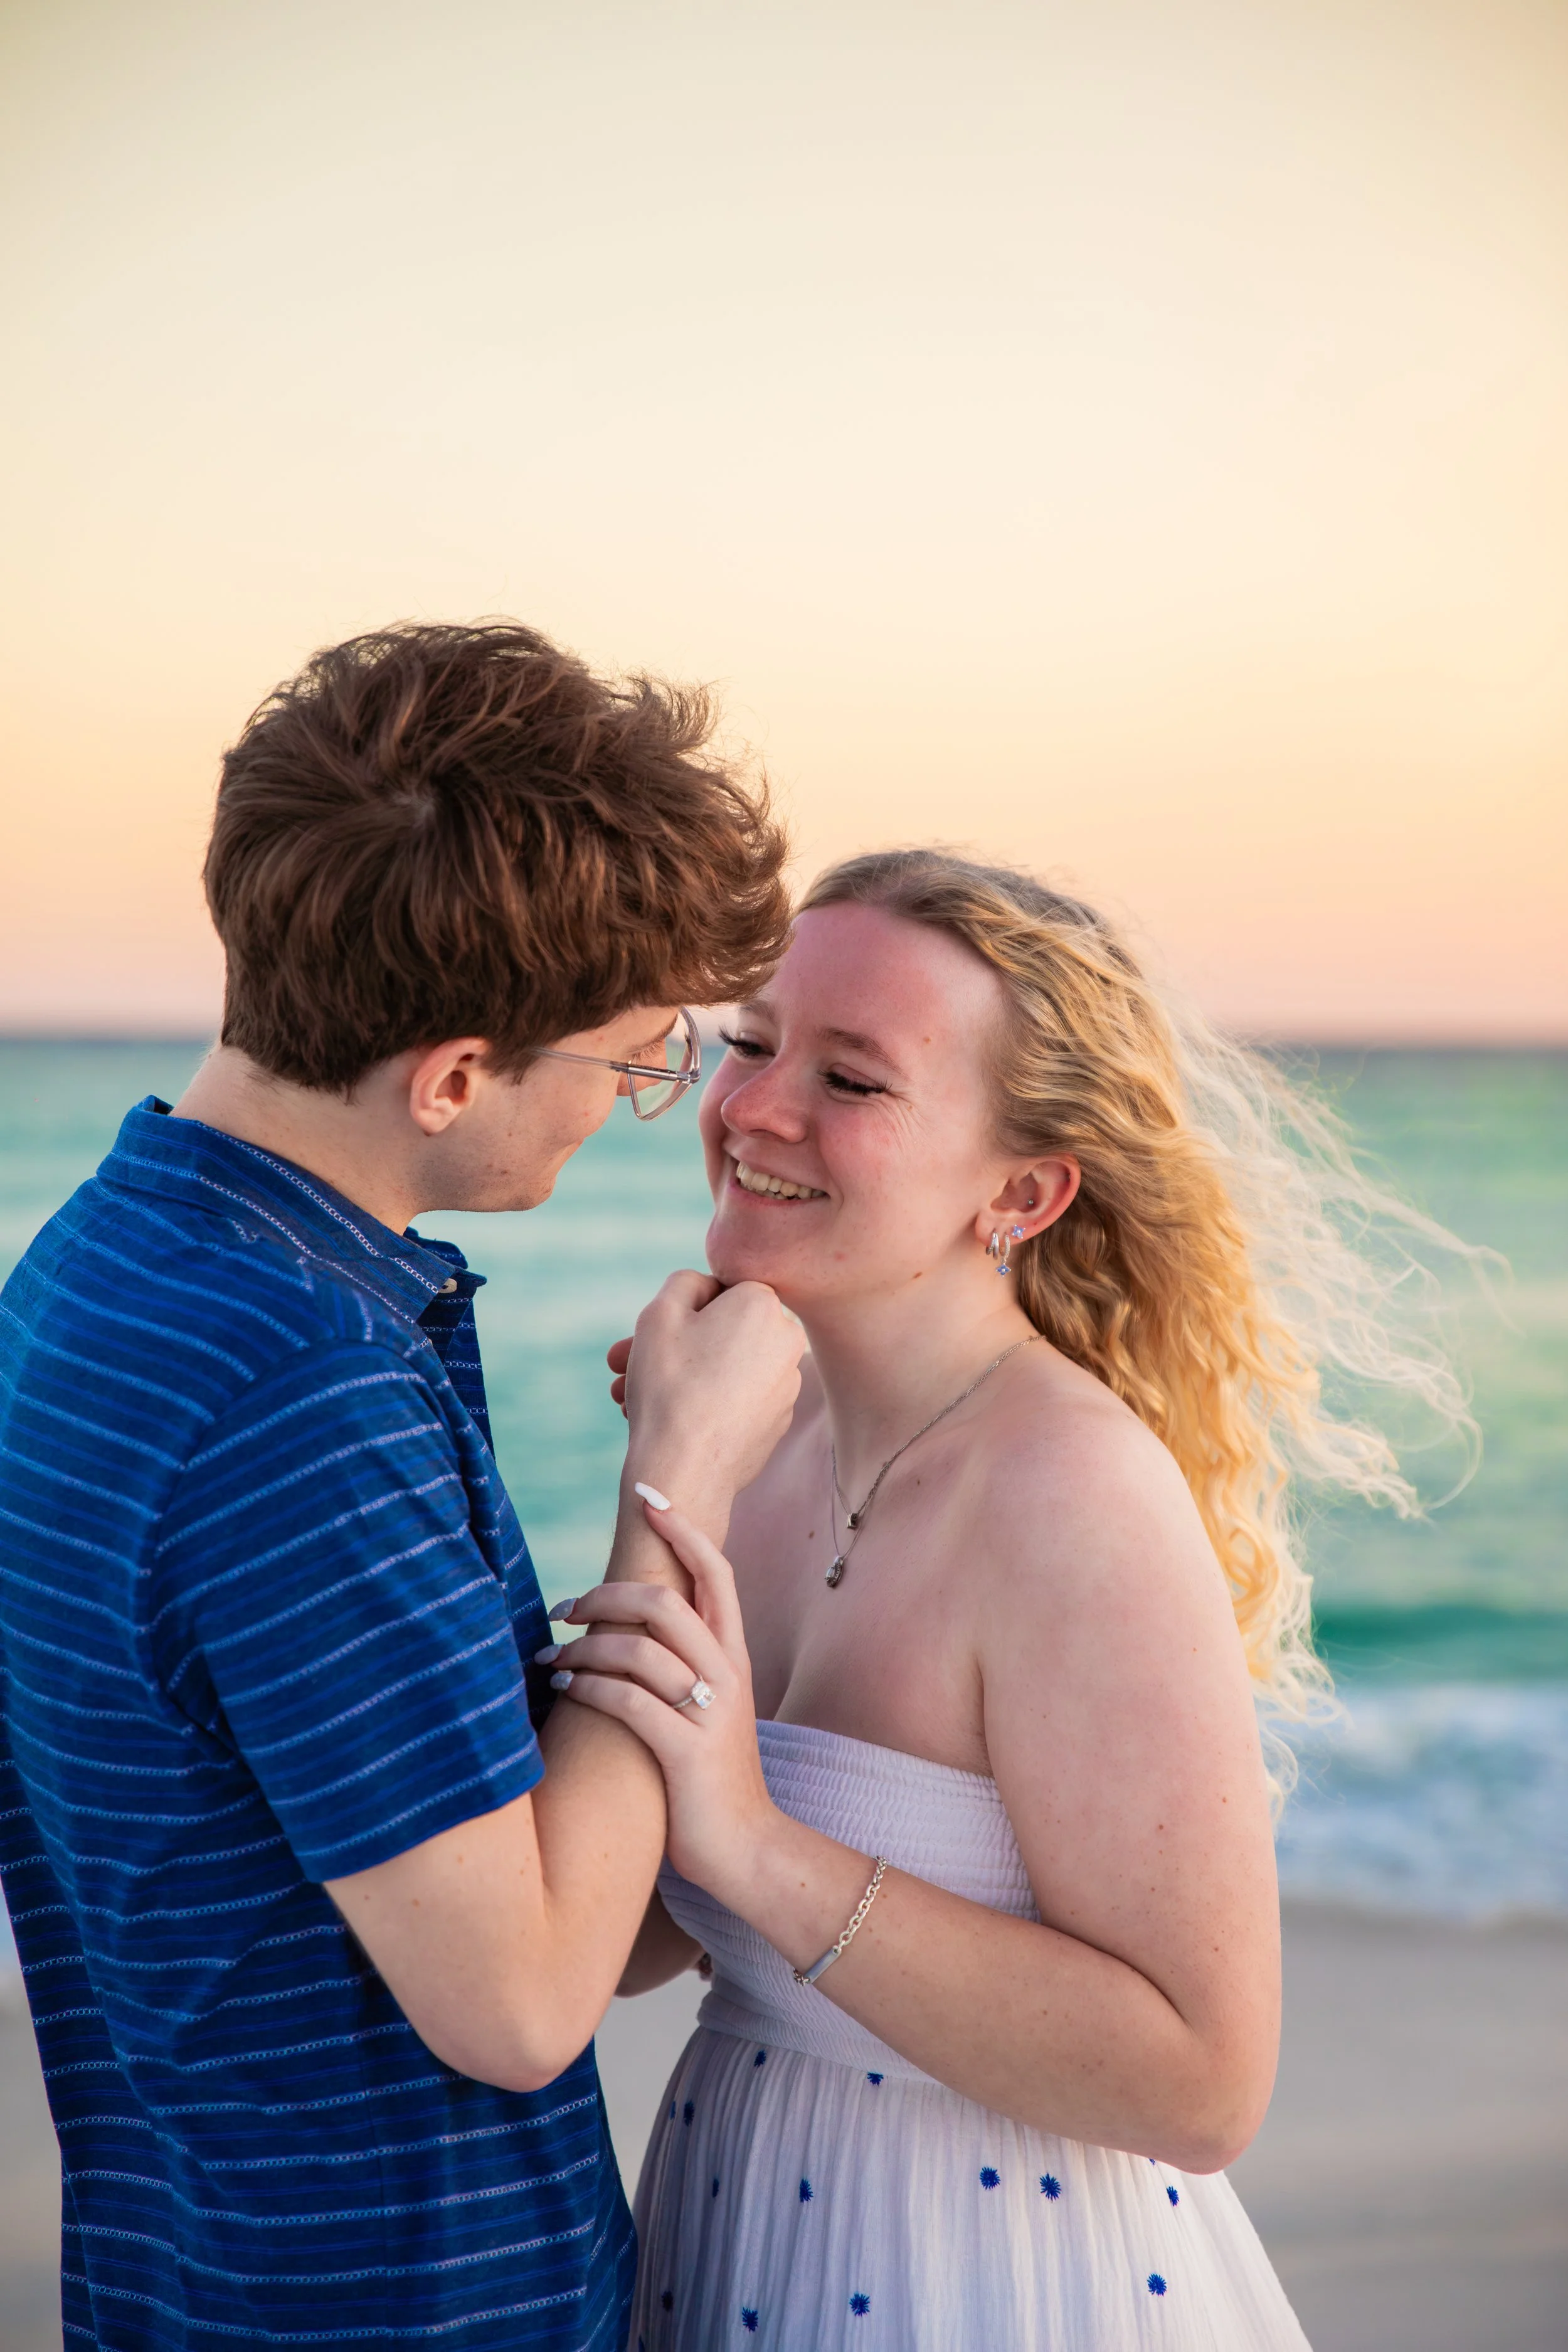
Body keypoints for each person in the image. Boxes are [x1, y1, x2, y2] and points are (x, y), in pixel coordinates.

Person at [0, 622, 805, 2351]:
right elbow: (518, 1998)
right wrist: (680, 1471)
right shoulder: (295, 1387)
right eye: (631, 1059)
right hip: (386, 2304)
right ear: (451, 1074)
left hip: (196, 2267)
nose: (639, 1106)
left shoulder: (101, 1262)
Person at [549, 849, 1473, 2350]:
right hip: (737, 2211)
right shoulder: (748, 1446)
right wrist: (666, 1476)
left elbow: (1200, 2086)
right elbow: (635, 1940)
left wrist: (759, 1847)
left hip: (988, 2269)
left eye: (853, 1081)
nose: (756, 1109)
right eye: (752, 1043)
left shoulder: (1070, 1494)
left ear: (1022, 1192)